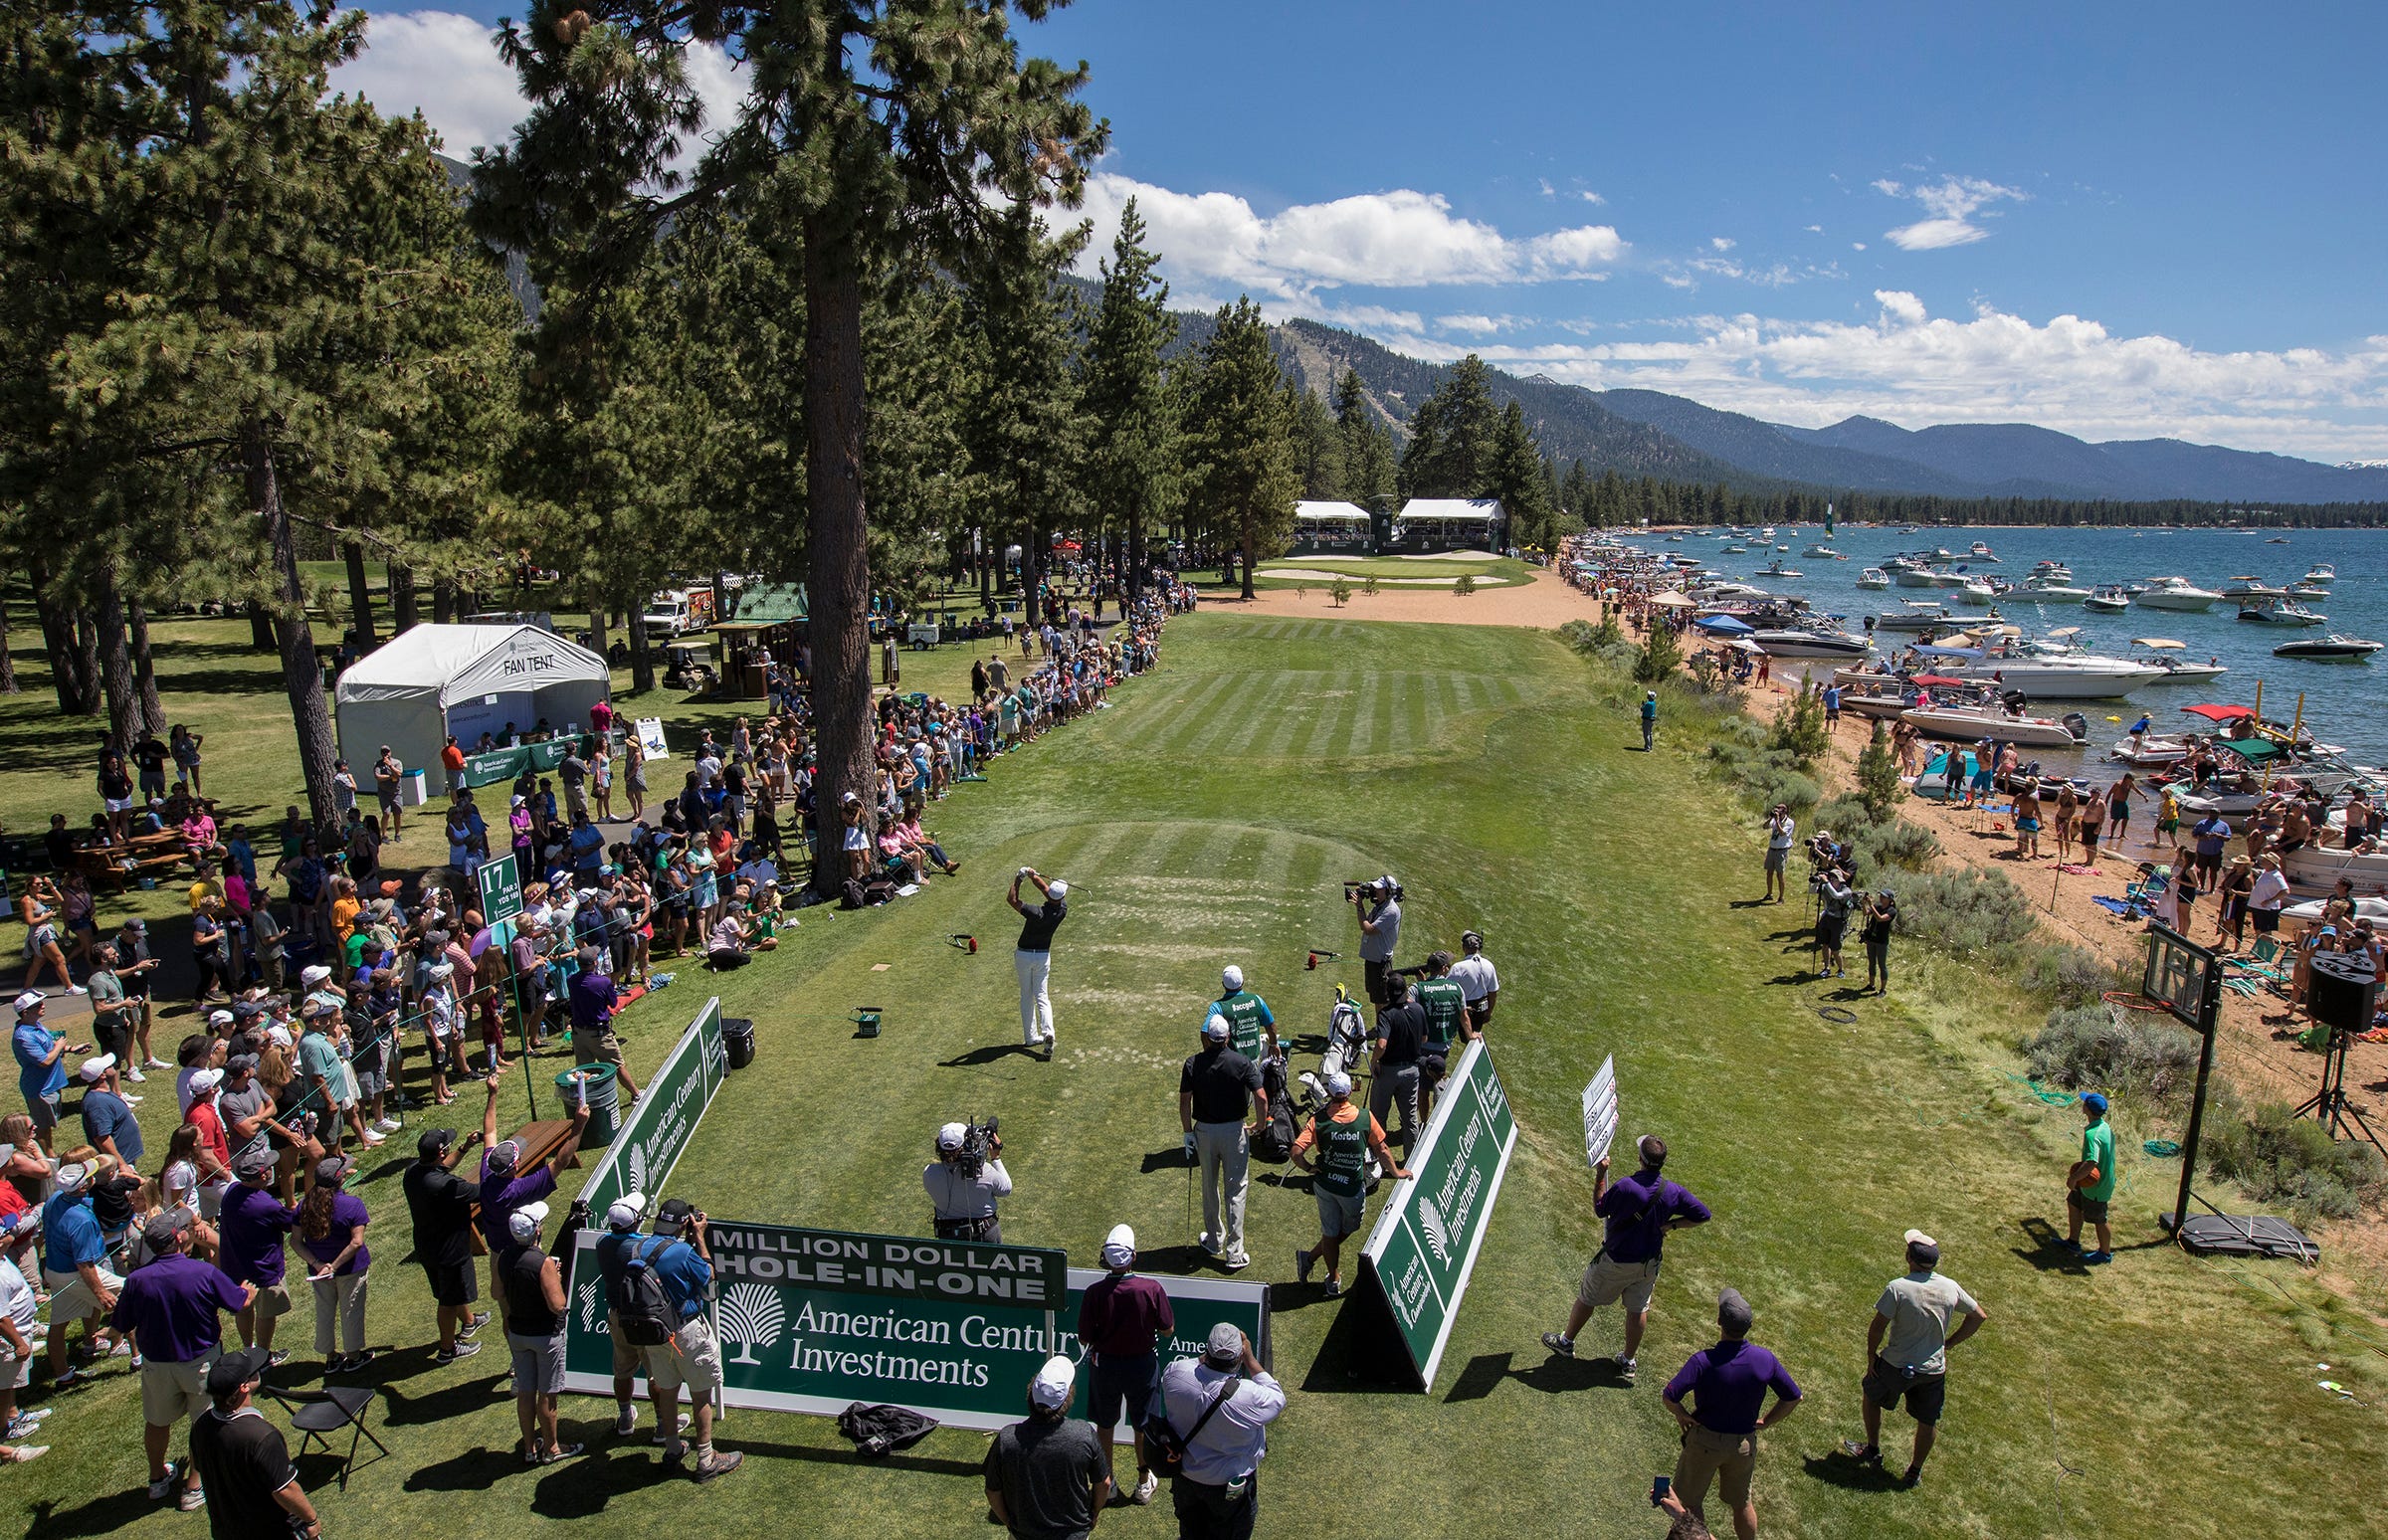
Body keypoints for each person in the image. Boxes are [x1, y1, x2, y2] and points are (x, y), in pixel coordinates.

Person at [1540, 1135, 1712, 1385]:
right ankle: (1628, 1360)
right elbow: (1703, 1215)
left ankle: (1566, 1342)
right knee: (1637, 1309)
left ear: (1640, 1159)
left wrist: (1600, 1175)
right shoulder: (1672, 1190)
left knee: (1587, 1297)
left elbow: (1600, 1208)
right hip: (1648, 1265)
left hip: (1617, 1261)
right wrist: (1672, 1225)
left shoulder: (1626, 1186)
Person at [111, 1211, 253, 1512]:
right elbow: (238, 1302)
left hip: (157, 1366)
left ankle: (157, 1479)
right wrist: (248, 1292)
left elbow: (122, 1322)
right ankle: (193, 1487)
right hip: (201, 1363)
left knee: (157, 1422)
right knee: (204, 1424)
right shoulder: (202, 1272)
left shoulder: (136, 1281)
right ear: (178, 1238)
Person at [597, 1198, 741, 1480]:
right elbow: (708, 1276)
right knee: (701, 1394)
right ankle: (706, 1458)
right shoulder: (683, 1253)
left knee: (668, 1389)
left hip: (654, 1335)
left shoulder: (636, 1247)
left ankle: (673, 1449)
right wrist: (699, 1238)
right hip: (686, 1331)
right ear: (685, 1224)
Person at [1843, 1229, 1988, 1486]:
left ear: (1908, 1257)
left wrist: (1870, 1357)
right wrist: (1949, 1344)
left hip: (1895, 1364)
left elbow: (1878, 1327)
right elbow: (1978, 1316)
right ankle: (1914, 1472)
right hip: (1933, 1370)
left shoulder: (1898, 1288)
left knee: (1872, 1396)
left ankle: (1873, 1450)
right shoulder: (1949, 1286)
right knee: (1927, 1419)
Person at [1663, 1288, 1803, 1540]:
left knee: (1690, 1505)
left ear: (1719, 1322)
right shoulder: (1765, 1359)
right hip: (1743, 1445)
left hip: (1705, 1443)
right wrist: (1767, 1421)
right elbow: (1794, 1397)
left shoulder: (1703, 1361)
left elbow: (1669, 1396)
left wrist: (1682, 1414)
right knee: (1742, 1502)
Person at [1155, 1324, 1284, 1540]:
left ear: (1207, 1350)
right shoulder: (1249, 1395)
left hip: (1186, 1479)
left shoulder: (1176, 1373)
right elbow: (1277, 1397)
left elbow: (1192, 1365)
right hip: (1229, 1487)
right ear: (1238, 1356)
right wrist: (1250, 1359)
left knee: (1191, 1533)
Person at [1076, 1224, 1174, 1505]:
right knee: (1142, 1425)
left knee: (1105, 1425)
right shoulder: (1151, 1289)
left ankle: (1108, 1482)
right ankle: (1144, 1481)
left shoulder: (1094, 1292)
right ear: (1133, 1257)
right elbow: (1168, 1329)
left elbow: (1084, 1337)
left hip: (1105, 1366)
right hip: (1141, 1367)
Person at [1290, 1070, 1411, 1297]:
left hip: (1325, 1185)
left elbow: (1296, 1152)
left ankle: (1311, 1259)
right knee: (1344, 1229)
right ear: (1350, 1092)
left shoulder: (1317, 1120)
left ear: (1329, 1093)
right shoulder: (1365, 1118)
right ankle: (1332, 1278)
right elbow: (1382, 1149)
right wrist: (1396, 1172)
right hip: (1352, 1188)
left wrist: (1308, 1168)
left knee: (1331, 1231)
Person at [188, 1346, 319, 1539]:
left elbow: (203, 1468)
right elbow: (284, 1489)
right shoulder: (262, 1436)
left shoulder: (201, 1426)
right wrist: (312, 1520)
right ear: (244, 1387)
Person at [984, 1355, 1111, 1539]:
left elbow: (992, 1491)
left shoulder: (1007, 1439)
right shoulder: (1084, 1434)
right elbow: (1104, 1484)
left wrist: (1010, 1523)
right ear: (1067, 1397)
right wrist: (1094, 1514)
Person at [1180, 1016, 1263, 1272]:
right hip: (1234, 1132)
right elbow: (1261, 1096)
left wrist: (1187, 1133)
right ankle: (1234, 1253)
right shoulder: (1242, 1062)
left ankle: (1215, 1240)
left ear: (1208, 1038)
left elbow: (1185, 1102)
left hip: (1204, 1132)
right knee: (1236, 1191)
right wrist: (1260, 1124)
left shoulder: (1193, 1063)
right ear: (1227, 1037)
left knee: (1209, 1185)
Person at [500, 1199, 580, 1463]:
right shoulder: (543, 1263)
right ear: (536, 1231)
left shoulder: (503, 1257)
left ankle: (529, 1449)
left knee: (526, 1391)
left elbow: (497, 1293)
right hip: (545, 1336)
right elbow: (558, 1305)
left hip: (517, 1333)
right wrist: (554, 1279)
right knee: (547, 1394)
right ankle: (552, 1448)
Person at [402, 1125, 488, 1362]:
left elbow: (443, 1167)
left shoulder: (412, 1172)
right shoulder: (446, 1186)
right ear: (441, 1151)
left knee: (449, 1292)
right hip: (449, 1251)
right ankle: (447, 1349)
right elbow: (482, 1192)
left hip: (427, 1246)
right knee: (448, 1301)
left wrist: (465, 1147)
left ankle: (469, 1322)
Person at [43, 1159, 127, 1387]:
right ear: (82, 1187)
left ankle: (63, 1376)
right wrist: (100, 1292)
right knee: (131, 1295)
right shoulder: (81, 1221)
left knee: (58, 1324)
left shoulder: (53, 1200)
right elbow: (85, 1264)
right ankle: (136, 1354)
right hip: (75, 1273)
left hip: (55, 1271)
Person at [218, 1148, 301, 1362]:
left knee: (243, 1309)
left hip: (236, 1267)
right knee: (266, 1313)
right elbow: (290, 1223)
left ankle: (249, 1349)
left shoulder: (231, 1193)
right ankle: (263, 1355)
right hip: (263, 1268)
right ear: (264, 1176)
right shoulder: (266, 1204)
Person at [295, 1154, 371, 1373]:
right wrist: (333, 1266)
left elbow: (296, 1242)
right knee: (351, 1309)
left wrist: (319, 1264)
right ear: (340, 1180)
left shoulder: (303, 1206)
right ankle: (354, 1357)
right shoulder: (352, 1205)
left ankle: (331, 1358)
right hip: (350, 1269)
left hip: (319, 1273)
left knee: (325, 1312)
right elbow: (357, 1242)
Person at [567, 946, 642, 1103]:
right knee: (617, 1066)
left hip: (579, 1034)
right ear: (595, 962)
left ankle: (584, 1103)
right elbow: (613, 1003)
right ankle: (636, 1094)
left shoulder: (571, 980)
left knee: (583, 1071)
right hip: (599, 1035)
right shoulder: (603, 982)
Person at [13, 991, 84, 1153]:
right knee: (41, 1128)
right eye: (38, 1005)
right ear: (25, 1012)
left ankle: (46, 1153)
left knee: (47, 1125)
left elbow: (48, 1045)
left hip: (51, 1084)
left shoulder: (36, 1026)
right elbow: (44, 1061)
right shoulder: (23, 1036)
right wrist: (59, 1046)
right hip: (40, 1089)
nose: (43, 1006)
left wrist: (71, 1049)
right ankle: (47, 1157)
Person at [1009, 867, 1068, 1055]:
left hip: (1024, 956)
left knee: (1026, 995)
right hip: (1042, 956)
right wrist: (1033, 876)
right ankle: (1048, 1031)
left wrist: (1019, 878)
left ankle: (1031, 1036)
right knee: (1042, 995)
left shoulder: (1036, 912)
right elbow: (1047, 892)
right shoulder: (1062, 910)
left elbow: (1012, 900)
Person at [1368, 975, 1428, 1157]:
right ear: (1405, 991)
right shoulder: (1418, 1009)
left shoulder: (1386, 1013)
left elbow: (1381, 1044)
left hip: (1387, 1072)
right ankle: (1411, 1160)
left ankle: (1377, 1161)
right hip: (1412, 1071)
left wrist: (1374, 1061)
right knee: (1409, 1118)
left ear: (1388, 993)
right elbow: (1424, 1038)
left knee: (1378, 1118)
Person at [925, 1120, 1011, 1243]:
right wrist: (995, 1158)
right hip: (984, 1236)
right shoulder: (985, 1172)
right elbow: (1006, 1189)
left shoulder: (929, 1173)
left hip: (948, 1236)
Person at [2065, 1091, 2117, 1264]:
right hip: (2089, 1181)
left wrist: (2074, 1178)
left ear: (2086, 1109)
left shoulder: (2092, 1135)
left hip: (2095, 1185)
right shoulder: (2105, 1127)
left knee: (2099, 1219)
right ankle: (2073, 1242)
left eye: (2084, 1103)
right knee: (2073, 1202)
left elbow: (2091, 1162)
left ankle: (2105, 1253)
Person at [1210, 965, 1277, 1064]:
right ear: (1243, 982)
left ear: (1223, 984)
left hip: (1230, 1062)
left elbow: (1205, 1031)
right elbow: (1270, 1026)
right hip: (1252, 1059)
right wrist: (1273, 1045)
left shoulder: (1217, 1007)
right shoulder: (1257, 1000)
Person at [1352, 874, 1402, 1006]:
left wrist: (1360, 906)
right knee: (1376, 999)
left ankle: (1382, 1026)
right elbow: (1365, 925)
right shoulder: (1379, 906)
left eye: (1380, 889)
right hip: (1373, 960)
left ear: (1388, 892)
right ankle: (1380, 1025)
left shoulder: (1390, 911)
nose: (1375, 891)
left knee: (1382, 1001)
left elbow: (1368, 928)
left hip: (1380, 962)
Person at [1450, 928, 1500, 1033]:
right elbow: (1493, 992)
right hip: (1481, 1009)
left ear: (1464, 948)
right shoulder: (1489, 965)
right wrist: (1489, 1012)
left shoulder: (1458, 968)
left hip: (1464, 1009)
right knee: (1473, 1040)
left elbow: (1447, 990)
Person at [1814, 866, 1856, 980]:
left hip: (1838, 921)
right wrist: (1817, 881)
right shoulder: (1827, 887)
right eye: (1830, 879)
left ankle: (1840, 969)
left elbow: (1836, 896)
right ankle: (1826, 968)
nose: (1831, 882)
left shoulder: (1846, 891)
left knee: (1835, 948)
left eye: (1833, 880)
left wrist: (1826, 883)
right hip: (1827, 917)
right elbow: (1812, 891)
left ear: (1839, 880)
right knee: (1825, 944)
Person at [1859, 889, 1897, 996]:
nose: (1881, 898)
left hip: (1881, 941)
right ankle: (1871, 985)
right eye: (1881, 896)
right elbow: (1865, 913)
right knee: (1871, 963)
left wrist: (1871, 905)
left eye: (1884, 897)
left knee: (1882, 965)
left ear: (1890, 900)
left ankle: (1882, 989)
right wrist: (1864, 904)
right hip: (1871, 939)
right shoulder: (1878, 906)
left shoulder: (1891, 911)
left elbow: (1880, 919)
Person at [1761, 804, 1795, 904]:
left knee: (1779, 875)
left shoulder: (1789, 822)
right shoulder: (1775, 819)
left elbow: (1782, 833)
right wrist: (1771, 818)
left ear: (1784, 811)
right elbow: (1765, 826)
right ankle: (1769, 893)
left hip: (1781, 850)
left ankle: (1781, 897)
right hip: (1772, 849)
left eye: (1779, 809)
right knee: (1769, 873)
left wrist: (1777, 821)